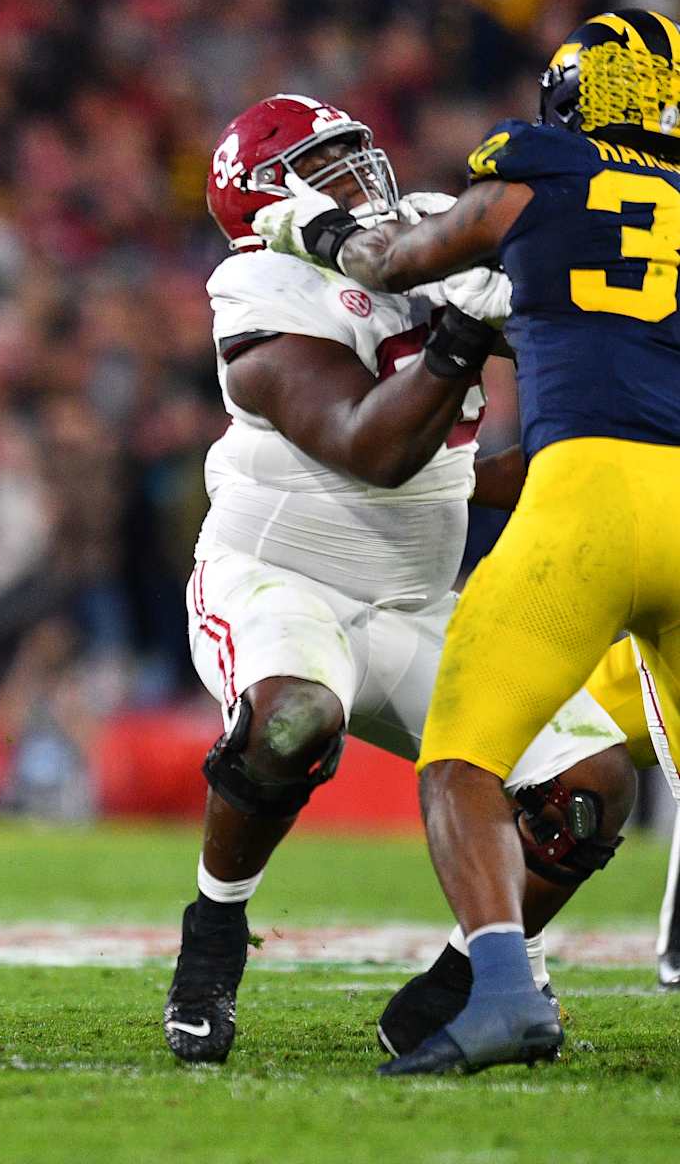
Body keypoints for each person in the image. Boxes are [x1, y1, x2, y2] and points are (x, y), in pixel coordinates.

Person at [167, 93, 643, 1066]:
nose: (359, 180)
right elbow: (369, 446)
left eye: (356, 155)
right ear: (266, 200)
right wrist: (462, 336)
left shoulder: (424, 236)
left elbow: (468, 444)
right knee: (294, 718)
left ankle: (462, 980)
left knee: (592, 787)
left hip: (420, 597)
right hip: (281, 579)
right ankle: (214, 933)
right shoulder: (257, 288)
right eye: (324, 167)